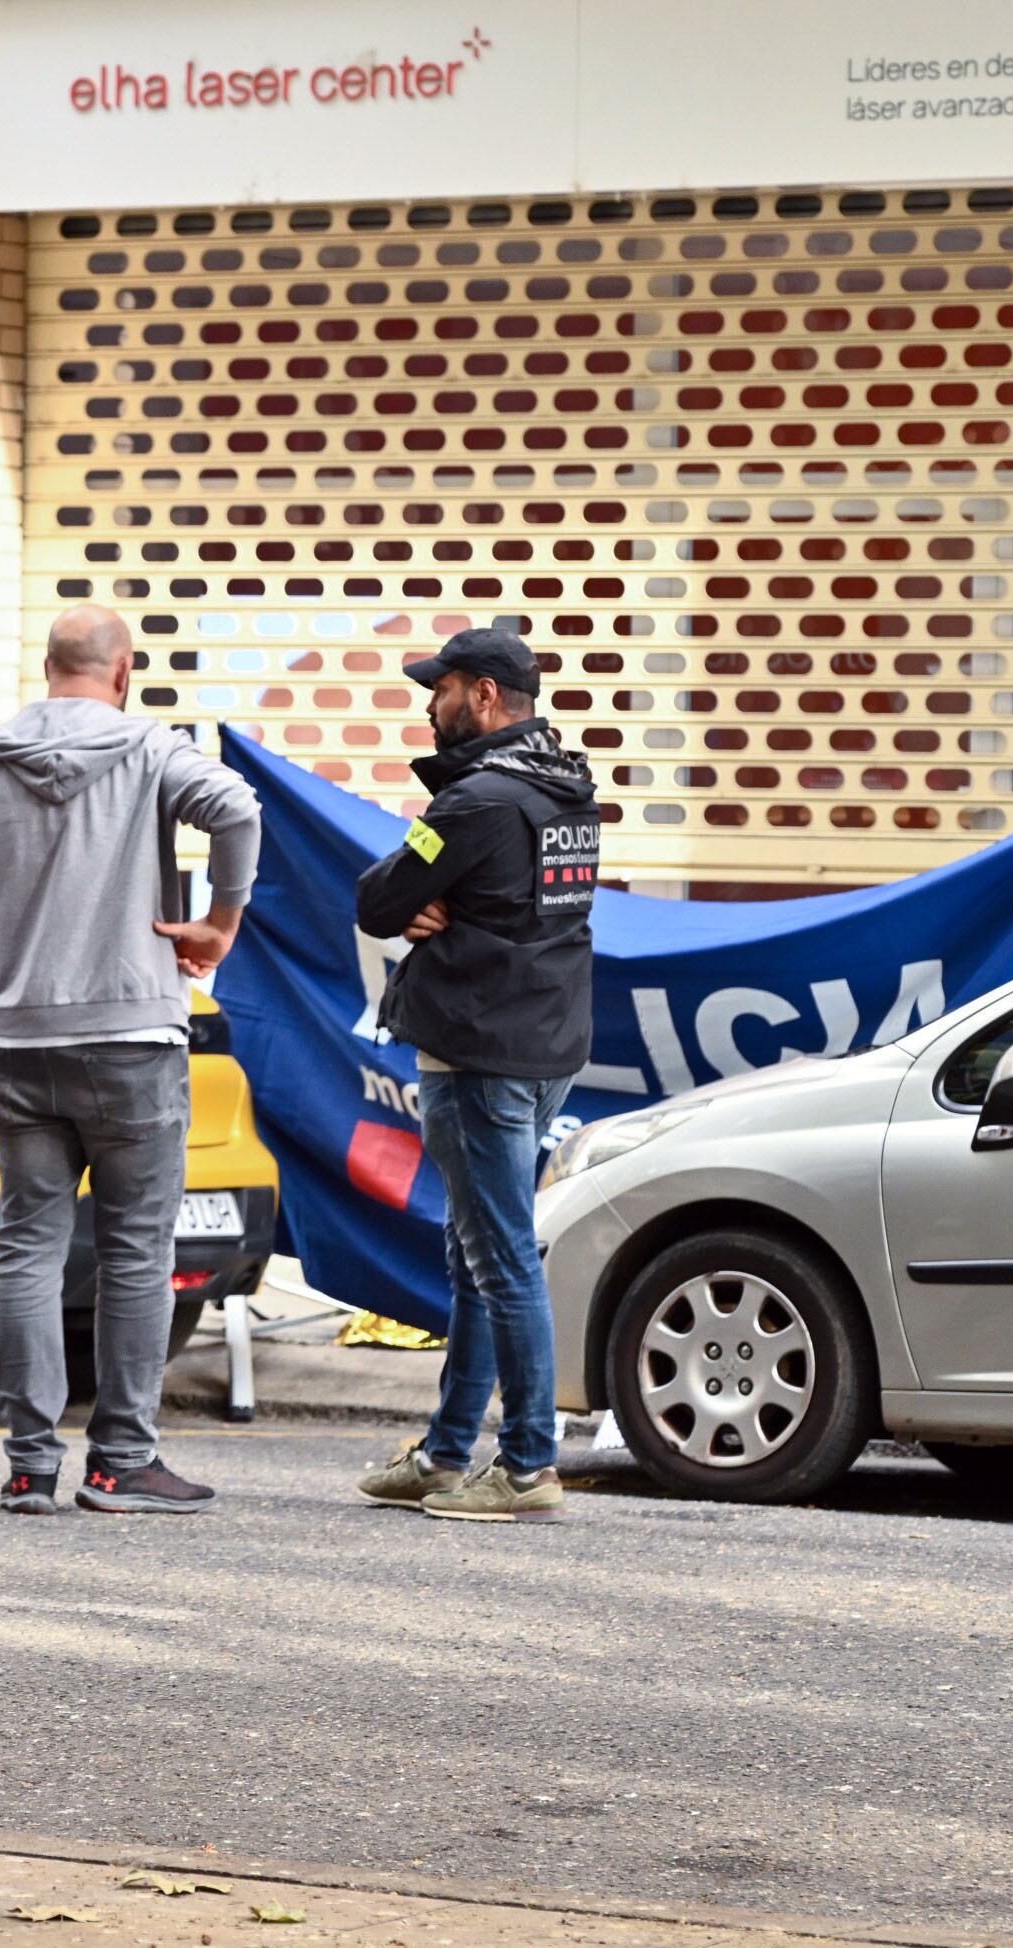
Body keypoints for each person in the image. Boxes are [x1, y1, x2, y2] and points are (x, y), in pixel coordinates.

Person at [0, 605, 260, 1517]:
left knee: (27, 1249)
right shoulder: (151, 749)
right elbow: (238, 808)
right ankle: (122, 1461)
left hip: (17, 1043)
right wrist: (219, 923)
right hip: (132, 1039)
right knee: (134, 1251)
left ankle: (29, 1466)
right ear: (123, 672)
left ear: (49, 667)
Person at [350, 628, 600, 1523]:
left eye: (444, 687)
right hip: (543, 1044)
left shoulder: (476, 800)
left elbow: (376, 899)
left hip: (481, 1052)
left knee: (500, 1259)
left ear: (486, 696)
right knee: (477, 1253)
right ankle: (446, 1453)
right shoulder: (567, 788)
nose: (432, 703)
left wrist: (419, 895)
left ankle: (528, 1464)